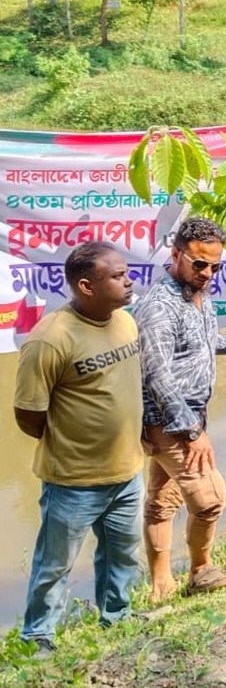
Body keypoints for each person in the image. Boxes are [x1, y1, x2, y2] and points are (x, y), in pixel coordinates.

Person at [13, 242, 142, 657]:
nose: (129, 280)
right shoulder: (51, 339)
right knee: (54, 566)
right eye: (118, 276)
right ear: (86, 286)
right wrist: (74, 445)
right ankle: (37, 638)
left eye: (126, 272)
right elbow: (28, 415)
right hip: (73, 481)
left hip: (127, 471)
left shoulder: (125, 321)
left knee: (122, 554)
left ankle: (116, 617)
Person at [134, 218, 226, 600]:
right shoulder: (159, 307)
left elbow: (202, 344)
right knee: (210, 499)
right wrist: (191, 431)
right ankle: (201, 569)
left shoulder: (198, 294)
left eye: (215, 266)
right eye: (199, 264)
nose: (208, 273)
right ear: (176, 254)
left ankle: (161, 582)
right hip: (168, 421)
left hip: (190, 414)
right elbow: (157, 375)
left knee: (163, 500)